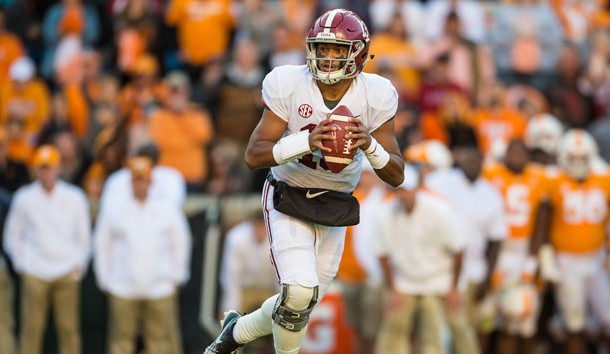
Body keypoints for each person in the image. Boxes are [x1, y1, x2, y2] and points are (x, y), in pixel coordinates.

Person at [203, 8, 404, 354]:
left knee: (298, 305)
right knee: (297, 293)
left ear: (357, 53)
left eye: (337, 50)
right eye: (322, 48)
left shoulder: (376, 93)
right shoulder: (288, 82)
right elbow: (254, 154)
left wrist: (368, 143)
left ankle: (235, 332)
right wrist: (305, 143)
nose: (327, 57)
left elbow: (396, 174)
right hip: (287, 195)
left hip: (335, 203)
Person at [94, 156, 192, 354]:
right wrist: (105, 279)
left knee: (160, 343)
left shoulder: (166, 206)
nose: (140, 184)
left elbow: (180, 242)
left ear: (150, 181)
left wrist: (176, 276)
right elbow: (101, 243)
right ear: (130, 181)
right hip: (123, 286)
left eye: (143, 179)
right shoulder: (115, 206)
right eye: (136, 179)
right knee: (121, 341)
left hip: (160, 287)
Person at [3, 145, 91, 354]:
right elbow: (12, 236)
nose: (46, 173)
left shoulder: (74, 196)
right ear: (35, 170)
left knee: (68, 329)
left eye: (49, 167)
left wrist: (79, 265)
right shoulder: (24, 197)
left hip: (66, 270)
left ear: (58, 168)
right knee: (32, 329)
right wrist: (22, 265)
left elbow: (84, 236)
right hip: (35, 271)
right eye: (42, 168)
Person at [375, 165, 464, 354]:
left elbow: (458, 249)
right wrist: (392, 289)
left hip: (437, 280)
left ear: (417, 188)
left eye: (406, 190)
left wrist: (454, 287)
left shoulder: (439, 209)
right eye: (399, 190)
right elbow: (382, 254)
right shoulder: (385, 212)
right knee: (392, 333)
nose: (403, 195)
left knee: (440, 332)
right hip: (404, 282)